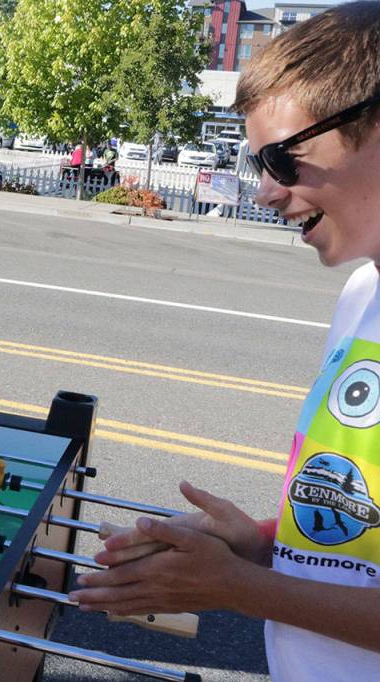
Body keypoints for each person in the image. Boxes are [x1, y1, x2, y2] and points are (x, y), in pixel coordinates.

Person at [70, 4, 380, 678]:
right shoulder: (363, 293)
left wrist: (237, 588)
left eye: (284, 158)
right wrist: (260, 546)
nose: (265, 190)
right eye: (255, 160)